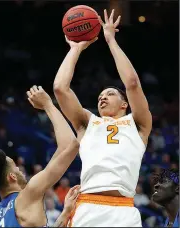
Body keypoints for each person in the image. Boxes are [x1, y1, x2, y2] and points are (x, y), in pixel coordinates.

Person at [53, 9, 152, 227]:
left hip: (124, 210)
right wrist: (76, 48)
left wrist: (110, 40)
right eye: (100, 96)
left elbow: (132, 83)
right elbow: (60, 88)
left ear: (125, 103)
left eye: (109, 94)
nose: (102, 98)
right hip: (89, 207)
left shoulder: (138, 125)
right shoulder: (88, 123)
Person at [0, 86, 80, 227]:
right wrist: (48, 105)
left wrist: (65, 213)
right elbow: (71, 146)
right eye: (15, 167)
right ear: (12, 177)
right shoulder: (28, 194)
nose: (19, 169)